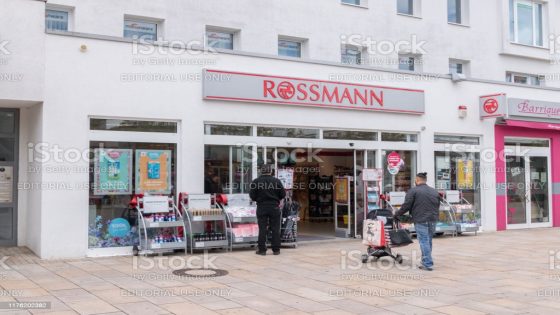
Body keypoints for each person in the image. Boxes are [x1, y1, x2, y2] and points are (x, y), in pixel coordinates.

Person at [395, 172, 441, 271]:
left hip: (421, 219)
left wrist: (397, 214)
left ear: (417, 180)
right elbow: (437, 205)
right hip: (433, 219)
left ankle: (427, 264)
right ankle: (427, 261)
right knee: (428, 240)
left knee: (424, 241)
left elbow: (406, 206)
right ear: (425, 180)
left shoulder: (413, 191)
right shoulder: (434, 191)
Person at [249, 164, 286, 256]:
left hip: (262, 207)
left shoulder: (256, 182)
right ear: (271, 171)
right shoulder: (276, 181)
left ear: (261, 171)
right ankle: (276, 250)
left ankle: (262, 250)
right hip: (274, 207)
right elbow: (283, 195)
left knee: (262, 229)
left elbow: (252, 196)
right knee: (275, 228)